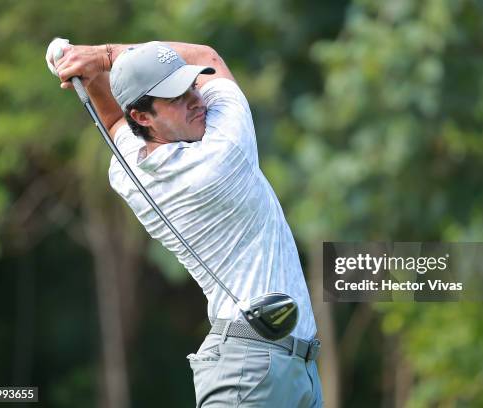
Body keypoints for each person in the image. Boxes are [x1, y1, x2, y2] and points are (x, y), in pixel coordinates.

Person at [47, 40, 323, 407]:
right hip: (252, 370)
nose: (196, 99)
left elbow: (114, 121)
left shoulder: (130, 172)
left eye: (192, 85)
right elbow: (208, 57)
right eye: (176, 96)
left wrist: (88, 71)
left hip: (287, 367)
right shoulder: (225, 152)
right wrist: (103, 57)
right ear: (143, 116)